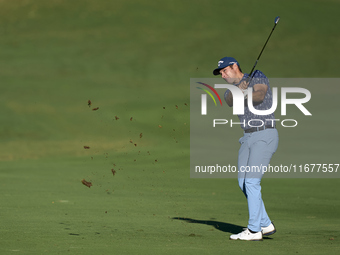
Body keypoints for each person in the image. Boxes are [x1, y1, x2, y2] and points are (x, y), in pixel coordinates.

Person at [213, 56, 279, 241]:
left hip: (264, 133)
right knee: (243, 182)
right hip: (247, 137)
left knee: (251, 182)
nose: (223, 75)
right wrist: (239, 88)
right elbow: (229, 100)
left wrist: (245, 89)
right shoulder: (231, 89)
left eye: (225, 70)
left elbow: (259, 95)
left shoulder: (257, 75)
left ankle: (254, 230)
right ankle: (265, 224)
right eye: (221, 73)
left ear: (235, 66)